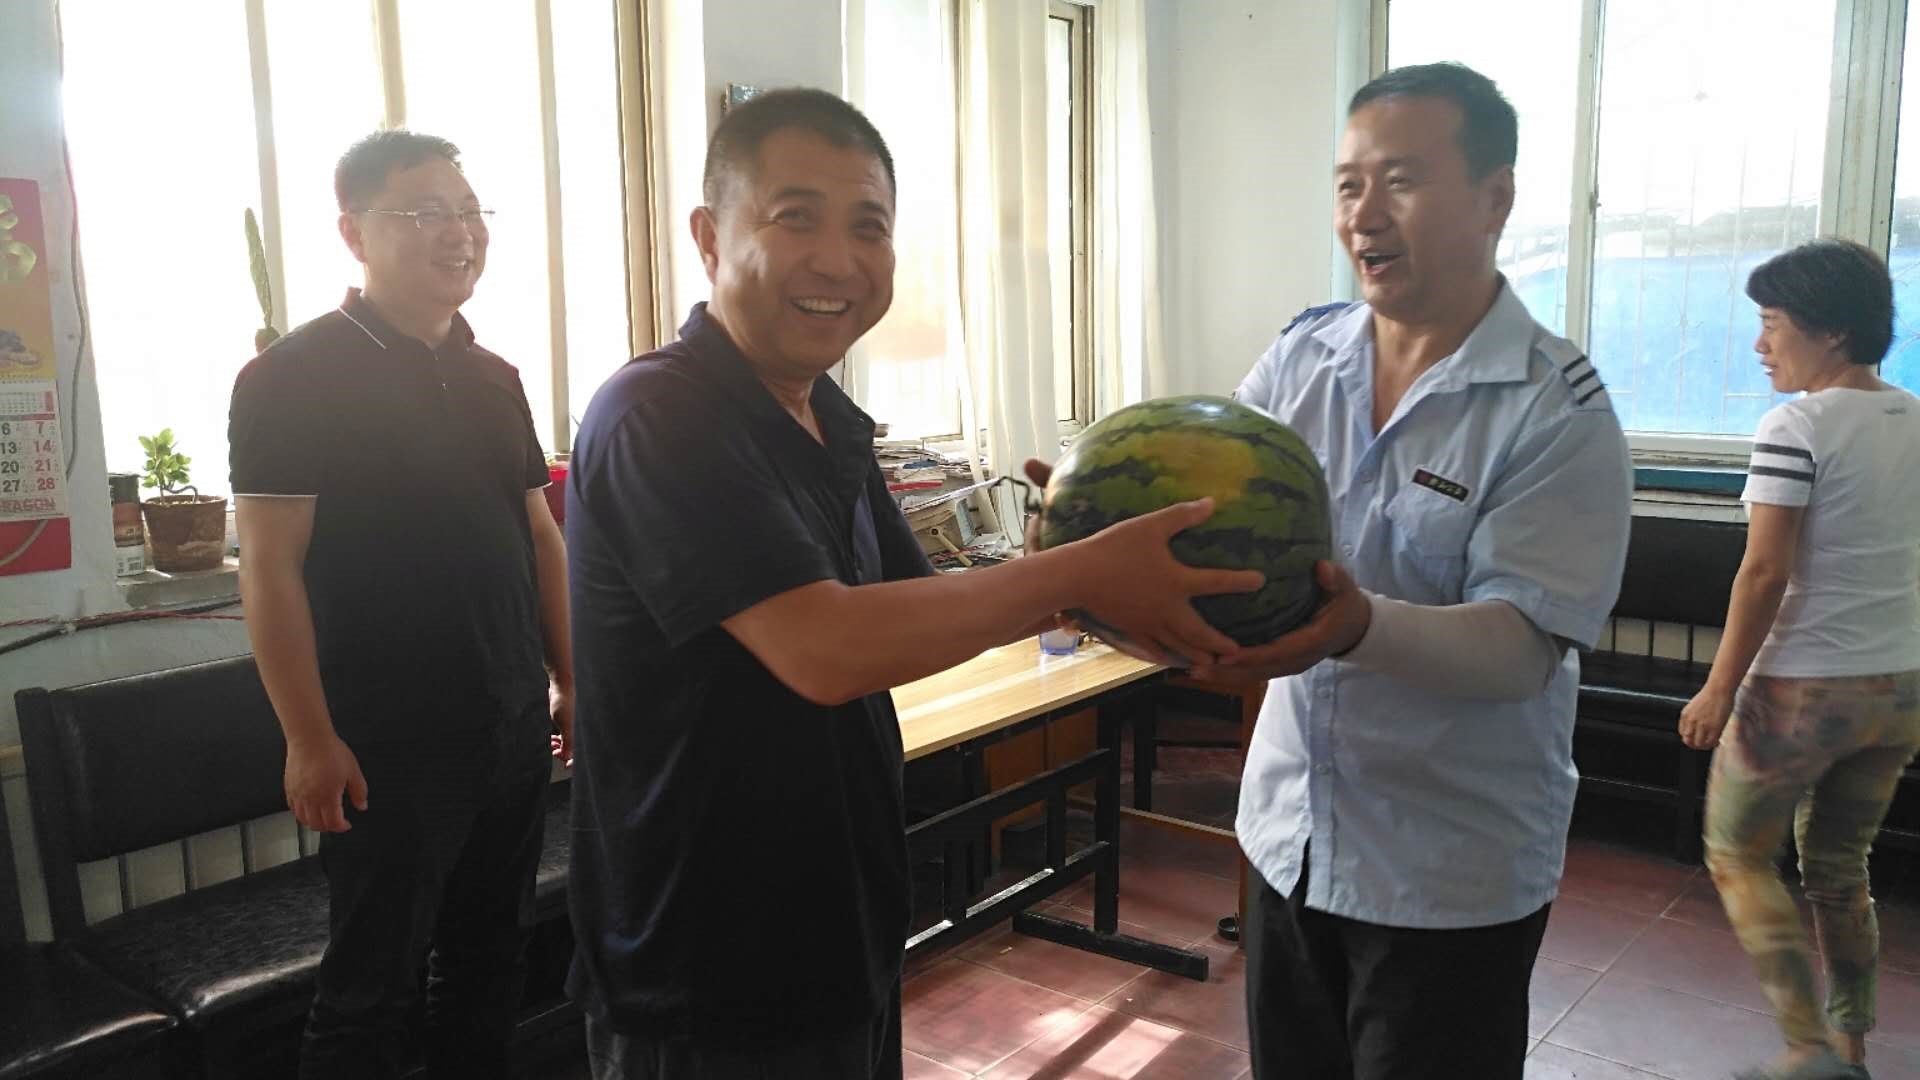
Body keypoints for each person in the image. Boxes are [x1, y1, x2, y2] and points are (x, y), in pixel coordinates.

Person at [563, 87, 1261, 1080]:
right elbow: (826, 647)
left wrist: (1069, 557)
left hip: (835, 934)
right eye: (795, 217)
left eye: (869, 227)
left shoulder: (823, 415)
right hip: (704, 969)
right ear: (711, 237)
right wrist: (1078, 570)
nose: (837, 260)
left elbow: (914, 608)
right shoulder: (658, 414)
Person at [1205, 63, 1633, 1078]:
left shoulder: (1556, 410)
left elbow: (1520, 649)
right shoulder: (1300, 360)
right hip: (1287, 839)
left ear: (1495, 198)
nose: (1364, 214)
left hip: (1446, 876)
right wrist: (1101, 535)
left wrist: (1358, 626)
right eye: (1348, 184)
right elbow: (1217, 505)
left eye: (1400, 180)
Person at [230, 130, 573, 1080]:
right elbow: (269, 569)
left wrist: (571, 678)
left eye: (468, 211)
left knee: (489, 963)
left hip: (507, 724)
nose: (459, 232)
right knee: (370, 990)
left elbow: (539, 538)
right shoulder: (290, 378)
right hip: (386, 743)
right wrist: (308, 738)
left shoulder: (494, 377)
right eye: (426, 212)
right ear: (354, 233)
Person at [1676, 239, 1918, 1080]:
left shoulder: (1798, 425)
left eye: (1773, 324)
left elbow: (1765, 572)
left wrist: (1718, 688)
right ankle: (1851, 1043)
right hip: (1900, 689)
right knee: (1840, 871)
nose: (1759, 344)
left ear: (1833, 333)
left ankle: (1808, 1049)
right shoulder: (1916, 417)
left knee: (1737, 855)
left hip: (1802, 691)